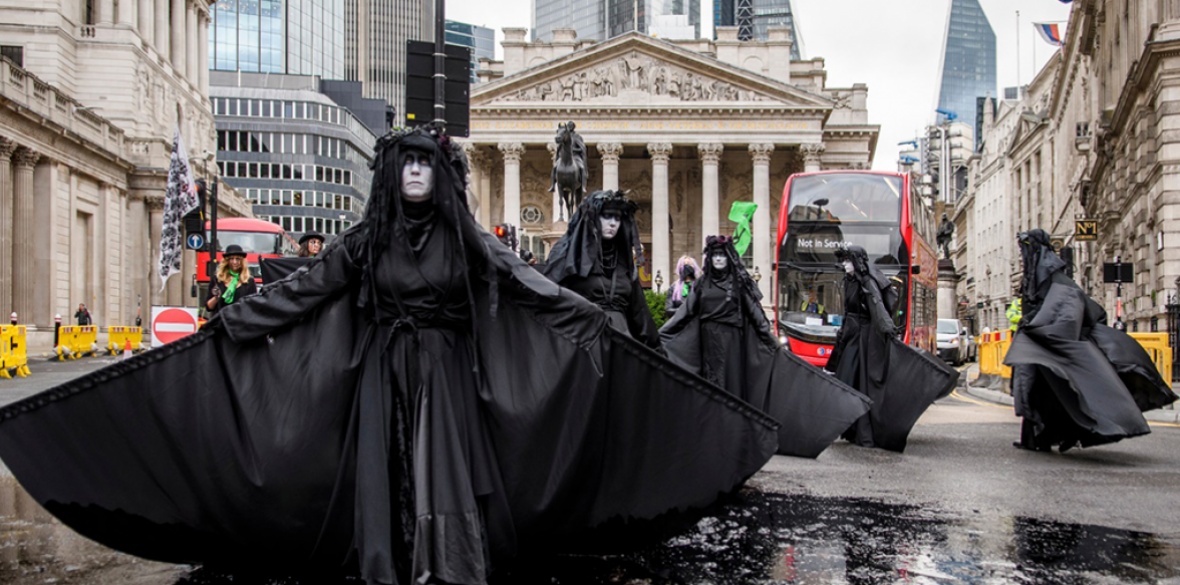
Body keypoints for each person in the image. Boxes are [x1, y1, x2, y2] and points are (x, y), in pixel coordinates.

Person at [0, 125, 779, 585]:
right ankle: (386, 559)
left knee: (440, 465)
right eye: (403, 162)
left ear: (436, 175)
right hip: (382, 367)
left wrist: (590, 319)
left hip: (442, 365)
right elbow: (311, 286)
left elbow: (517, 278)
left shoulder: (462, 236)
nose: (413, 172)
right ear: (390, 173)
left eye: (423, 163)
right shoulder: (369, 237)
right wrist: (233, 323)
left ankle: (445, 564)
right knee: (383, 467)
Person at [661, 236, 870, 458]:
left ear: (729, 257)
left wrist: (771, 342)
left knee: (731, 387)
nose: (719, 259)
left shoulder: (738, 283)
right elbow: (685, 313)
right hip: (707, 343)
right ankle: (710, 434)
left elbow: (755, 314)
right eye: (715, 255)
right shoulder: (702, 284)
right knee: (710, 385)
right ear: (709, 258)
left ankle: (731, 435)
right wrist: (661, 335)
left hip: (733, 344)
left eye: (723, 255)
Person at [1005, 229, 1177, 452]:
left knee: (1053, 391)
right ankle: (1036, 438)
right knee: (1037, 391)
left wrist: (1040, 326)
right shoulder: (1036, 276)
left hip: (1049, 344)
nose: (1022, 255)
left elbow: (1068, 308)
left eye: (1025, 248)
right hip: (1038, 345)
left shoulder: (1050, 275)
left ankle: (1047, 436)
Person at [824, 245, 957, 452]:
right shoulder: (849, 281)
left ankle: (864, 433)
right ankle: (852, 429)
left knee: (860, 383)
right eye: (843, 260)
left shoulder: (867, 281)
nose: (845, 264)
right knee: (849, 380)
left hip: (865, 340)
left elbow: (877, 307)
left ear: (857, 261)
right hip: (852, 336)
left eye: (848, 260)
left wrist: (887, 330)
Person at [543, 190, 662, 350]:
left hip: (620, 347)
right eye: (607, 216)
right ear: (593, 217)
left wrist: (658, 353)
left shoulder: (623, 262)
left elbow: (639, 312)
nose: (613, 223)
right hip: (582, 345)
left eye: (618, 218)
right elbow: (548, 299)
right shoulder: (569, 255)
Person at [203, 245, 257, 316]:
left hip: (240, 323)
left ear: (242, 261)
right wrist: (216, 297)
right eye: (231, 259)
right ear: (227, 261)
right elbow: (209, 307)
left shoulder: (249, 281)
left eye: (238, 259)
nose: (234, 262)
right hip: (220, 322)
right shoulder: (218, 279)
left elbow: (253, 306)